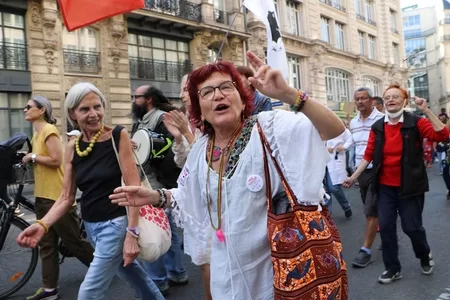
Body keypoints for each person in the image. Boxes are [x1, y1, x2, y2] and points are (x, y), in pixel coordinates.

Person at [110, 52, 347, 299]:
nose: (218, 95)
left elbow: (333, 129)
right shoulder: (201, 149)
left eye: (226, 87)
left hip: (280, 269)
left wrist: (290, 95)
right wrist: (156, 196)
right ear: (199, 111)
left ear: (243, 101)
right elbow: (190, 196)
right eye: (207, 92)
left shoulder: (269, 127)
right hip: (226, 274)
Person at [17, 83, 163, 300]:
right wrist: (42, 225)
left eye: (97, 107)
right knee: (135, 276)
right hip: (92, 227)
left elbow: (134, 189)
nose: (93, 114)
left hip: (116, 225)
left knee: (88, 294)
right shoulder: (73, 146)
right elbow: (66, 197)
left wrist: (132, 234)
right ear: (73, 114)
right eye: (85, 109)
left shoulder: (117, 135)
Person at [344, 84, 449, 284]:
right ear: (383, 102)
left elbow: (442, 135)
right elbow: (368, 155)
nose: (391, 100)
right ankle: (393, 268)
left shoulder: (416, 122)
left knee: (412, 227)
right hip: (385, 187)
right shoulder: (378, 127)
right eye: (387, 97)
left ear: (404, 101)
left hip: (410, 187)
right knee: (387, 227)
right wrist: (353, 176)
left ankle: (424, 255)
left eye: (396, 97)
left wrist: (426, 110)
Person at [21, 96, 94, 300]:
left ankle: (106, 267)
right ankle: (50, 289)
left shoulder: (48, 131)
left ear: (42, 110)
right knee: (47, 244)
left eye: (29, 106)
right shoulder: (36, 134)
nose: (24, 109)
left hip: (56, 197)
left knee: (74, 242)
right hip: (42, 196)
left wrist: (32, 157)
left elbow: (56, 160)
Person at [131, 85, 188, 295]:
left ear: (148, 100)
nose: (132, 100)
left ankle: (158, 281)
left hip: (159, 183)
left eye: (136, 96)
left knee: (153, 229)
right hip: (153, 181)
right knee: (168, 228)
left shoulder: (163, 118)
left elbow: (174, 151)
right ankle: (177, 272)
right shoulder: (142, 120)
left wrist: (152, 160)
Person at [163, 74, 212, 300]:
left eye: (186, 89)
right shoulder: (193, 121)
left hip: (214, 203)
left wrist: (186, 133)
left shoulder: (212, 120)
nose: (181, 94)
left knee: (212, 260)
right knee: (205, 261)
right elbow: (184, 163)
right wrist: (179, 135)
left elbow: (208, 165)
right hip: (197, 201)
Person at [348, 87, 384, 268]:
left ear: (371, 100)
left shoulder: (381, 119)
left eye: (363, 98)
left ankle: (365, 251)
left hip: (379, 171)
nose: (360, 101)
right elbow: (351, 143)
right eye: (357, 99)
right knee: (373, 209)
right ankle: (388, 235)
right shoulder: (353, 122)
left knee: (371, 211)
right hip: (361, 172)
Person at [324, 126, 353, 219]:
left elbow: (350, 138)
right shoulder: (319, 128)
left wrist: (344, 146)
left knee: (334, 188)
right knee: (325, 189)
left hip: (335, 160)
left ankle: (346, 206)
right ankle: (328, 214)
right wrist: (325, 149)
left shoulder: (340, 128)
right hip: (322, 161)